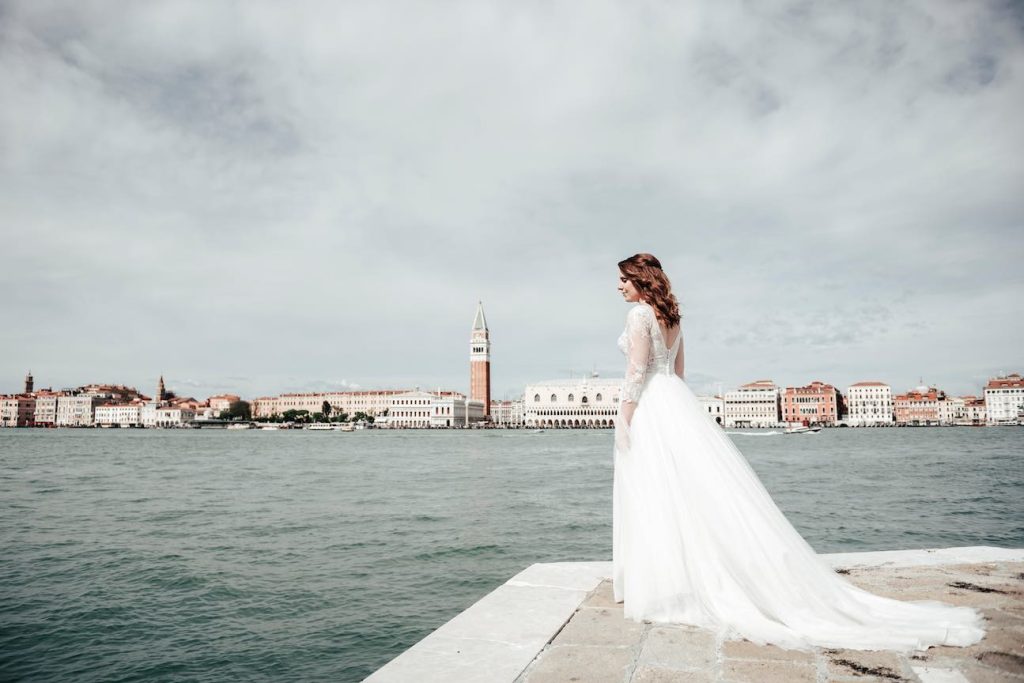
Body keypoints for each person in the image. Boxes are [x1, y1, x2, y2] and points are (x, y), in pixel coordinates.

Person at [611, 252, 985, 651]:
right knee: (691, 493)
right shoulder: (674, 319)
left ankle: (664, 584)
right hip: (677, 402)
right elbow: (679, 374)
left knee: (657, 493)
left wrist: (625, 415)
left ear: (641, 279)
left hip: (652, 404)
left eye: (623, 280)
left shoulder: (639, 317)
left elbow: (636, 371)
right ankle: (687, 578)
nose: (618, 287)